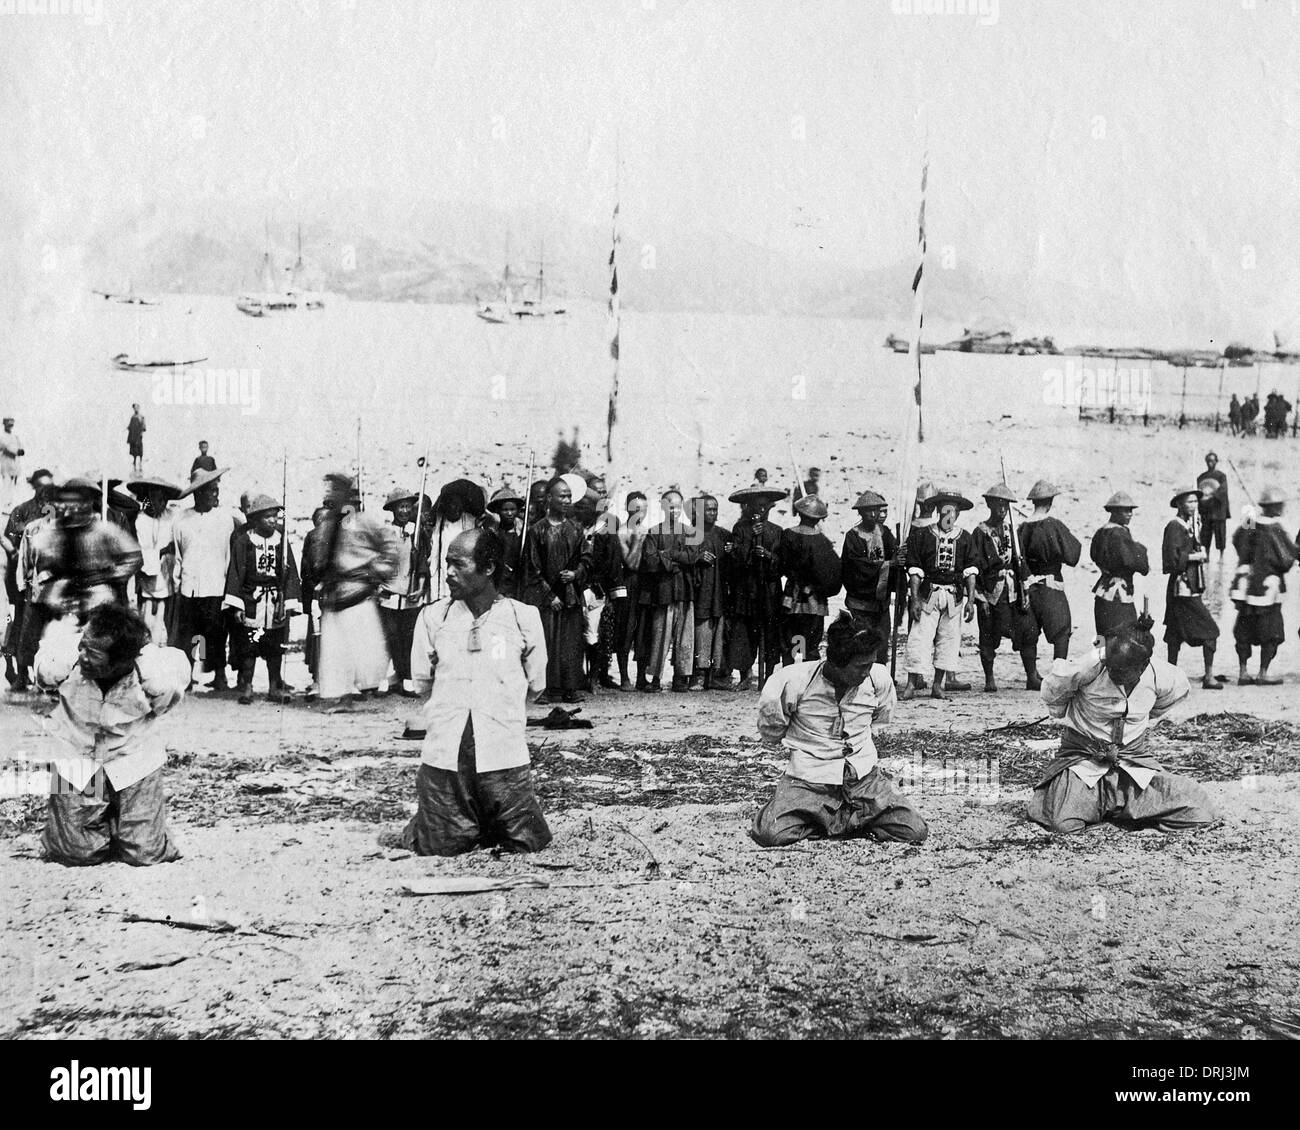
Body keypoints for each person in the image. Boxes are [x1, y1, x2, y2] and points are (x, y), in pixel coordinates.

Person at [400, 528, 551, 856]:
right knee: (442, 845)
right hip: (445, 758)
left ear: (488, 568)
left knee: (524, 843)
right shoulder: (433, 617)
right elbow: (422, 681)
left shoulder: (522, 617)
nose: (449, 574)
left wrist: (498, 711)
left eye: (459, 565)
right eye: (446, 564)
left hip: (503, 753)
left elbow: (536, 684)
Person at [1028, 612, 1217, 835]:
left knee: (1198, 810)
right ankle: (1109, 810)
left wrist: (1134, 724)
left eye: (1121, 671)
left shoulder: (1162, 675)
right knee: (1063, 822)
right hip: (1085, 762)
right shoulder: (1091, 664)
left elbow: (1168, 700)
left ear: (1143, 665)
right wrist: (1067, 715)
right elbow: (1053, 689)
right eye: (1111, 667)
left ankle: (1118, 811)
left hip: (1131, 764)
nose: (1113, 673)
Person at [750, 612, 928, 847]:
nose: (866, 672)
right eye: (861, 667)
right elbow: (771, 729)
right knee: (772, 833)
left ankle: (834, 820)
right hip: (809, 779)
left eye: (870, 664)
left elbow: (881, 716)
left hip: (863, 778)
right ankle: (813, 810)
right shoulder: (793, 682)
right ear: (836, 662)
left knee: (913, 830)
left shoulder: (878, 679)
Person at [35, 603, 191, 865]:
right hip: (77, 754)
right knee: (76, 852)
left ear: (120, 661)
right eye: (82, 646)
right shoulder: (61, 660)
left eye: (93, 653)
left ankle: (125, 819)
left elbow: (165, 704)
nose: (82, 655)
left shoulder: (156, 675)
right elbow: (43, 679)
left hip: (132, 757)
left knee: (143, 852)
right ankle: (94, 820)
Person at [311, 472, 399, 711]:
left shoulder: (363, 520)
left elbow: (389, 543)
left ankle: (368, 689)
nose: (332, 494)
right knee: (336, 650)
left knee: (363, 650)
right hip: (334, 593)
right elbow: (319, 557)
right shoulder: (328, 522)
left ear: (348, 494)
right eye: (330, 490)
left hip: (357, 592)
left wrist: (376, 570)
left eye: (337, 490)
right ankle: (344, 697)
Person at [224, 494, 302, 704]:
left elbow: (291, 572)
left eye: (275, 517)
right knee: (250, 644)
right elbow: (236, 573)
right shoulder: (244, 541)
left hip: (275, 602)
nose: (272, 521)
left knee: (274, 647)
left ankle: (274, 687)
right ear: (256, 519)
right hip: (252, 601)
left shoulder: (281, 542)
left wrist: (289, 602)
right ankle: (247, 686)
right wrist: (237, 605)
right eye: (267, 517)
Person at [171, 465, 242, 691]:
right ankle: (189, 675)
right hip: (190, 586)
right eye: (211, 490)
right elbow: (178, 554)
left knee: (217, 634)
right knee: (191, 634)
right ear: (198, 493)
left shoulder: (227, 518)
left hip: (216, 585)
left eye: (216, 489)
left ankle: (220, 675)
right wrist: (178, 582)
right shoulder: (181, 520)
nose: (215, 494)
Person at [902, 490, 977, 700]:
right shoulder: (922, 535)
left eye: (954, 510)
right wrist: (915, 598)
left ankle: (937, 685)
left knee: (949, 640)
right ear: (938, 510)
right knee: (919, 638)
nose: (949, 515)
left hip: (954, 597)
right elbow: (915, 570)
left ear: (959, 513)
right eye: (946, 510)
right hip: (929, 595)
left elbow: (970, 572)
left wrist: (971, 601)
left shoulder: (965, 538)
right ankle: (910, 684)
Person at [523, 477, 591, 703]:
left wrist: (576, 573)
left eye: (569, 496)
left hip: (570, 596)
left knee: (570, 643)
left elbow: (587, 559)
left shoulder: (576, 529)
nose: (566, 500)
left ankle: (570, 688)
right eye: (562, 496)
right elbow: (531, 568)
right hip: (546, 599)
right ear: (549, 498)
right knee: (546, 642)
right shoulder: (537, 530)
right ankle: (544, 689)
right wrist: (548, 595)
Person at [970, 483, 1038, 693]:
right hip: (992, 593)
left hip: (1013, 592)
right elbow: (975, 566)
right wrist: (980, 599)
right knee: (989, 634)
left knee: (1028, 630)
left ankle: (1031, 676)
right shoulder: (980, 533)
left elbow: (1021, 561)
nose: (1002, 510)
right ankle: (990, 679)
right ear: (990, 505)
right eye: (998, 505)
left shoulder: (1012, 531)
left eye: (1005, 506)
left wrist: (1025, 589)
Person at [1229, 486, 1297, 685]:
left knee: (1243, 629)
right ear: (1275, 507)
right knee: (1272, 631)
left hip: (1246, 585)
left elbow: (1237, 540)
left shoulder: (1250, 523)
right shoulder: (1276, 528)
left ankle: (1242, 672)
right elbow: (1286, 558)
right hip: (1268, 588)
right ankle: (1262, 674)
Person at [636, 489, 699, 692]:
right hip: (662, 591)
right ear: (663, 507)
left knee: (684, 638)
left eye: (678, 507)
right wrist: (673, 561)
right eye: (671, 506)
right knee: (659, 637)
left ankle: (681, 677)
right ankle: (655, 677)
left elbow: (692, 558)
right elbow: (651, 561)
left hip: (684, 591)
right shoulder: (654, 532)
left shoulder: (689, 531)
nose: (675, 510)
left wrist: (668, 554)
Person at [725, 483, 786, 690]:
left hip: (769, 590)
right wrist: (751, 537)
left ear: (770, 508)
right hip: (747, 589)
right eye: (755, 506)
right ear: (749, 508)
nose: (760, 511)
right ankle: (745, 675)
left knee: (770, 633)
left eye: (764, 507)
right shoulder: (740, 529)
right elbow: (736, 560)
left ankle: (768, 676)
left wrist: (768, 556)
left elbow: (783, 563)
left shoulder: (778, 532)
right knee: (744, 633)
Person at [1017, 480, 1081, 665]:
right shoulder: (1053, 525)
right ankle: (1058, 671)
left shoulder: (1021, 528)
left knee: (1029, 632)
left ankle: (1031, 676)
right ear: (1050, 502)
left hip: (1028, 587)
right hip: (1051, 586)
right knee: (1061, 630)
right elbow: (1073, 555)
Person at [1163, 488, 1220, 690]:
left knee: (1175, 633)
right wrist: (1194, 557)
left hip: (1190, 586)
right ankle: (1208, 676)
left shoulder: (1190, 526)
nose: (1193, 506)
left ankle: (1169, 677)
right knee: (1210, 630)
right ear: (1179, 504)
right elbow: (1171, 559)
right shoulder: (1174, 526)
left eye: (1196, 502)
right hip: (1182, 588)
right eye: (1189, 502)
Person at [2, 468, 54, 690]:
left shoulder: (52, 510)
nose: (45, 491)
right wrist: (15, 552)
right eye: (41, 486)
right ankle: (17, 671)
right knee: (20, 626)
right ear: (34, 486)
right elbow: (6, 537)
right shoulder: (21, 510)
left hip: (46, 582)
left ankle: (42, 674)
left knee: (45, 628)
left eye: (49, 487)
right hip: (21, 577)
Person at [377, 487, 431, 696]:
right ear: (393, 509)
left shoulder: (417, 532)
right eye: (401, 506)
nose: (405, 510)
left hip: (410, 595)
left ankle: (407, 678)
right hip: (389, 594)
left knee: (407, 637)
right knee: (389, 636)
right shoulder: (385, 532)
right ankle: (385, 678)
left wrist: (420, 587)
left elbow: (423, 563)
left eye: (408, 506)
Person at [778, 495, 841, 665]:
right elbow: (831, 572)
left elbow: (782, 565)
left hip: (792, 597)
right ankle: (807, 680)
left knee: (791, 642)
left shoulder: (787, 535)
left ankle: (789, 676)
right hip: (815, 600)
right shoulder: (822, 541)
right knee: (810, 645)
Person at [127, 474, 182, 647]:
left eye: (163, 499)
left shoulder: (172, 516)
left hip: (168, 572)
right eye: (156, 499)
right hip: (148, 572)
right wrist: (161, 551)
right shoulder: (141, 520)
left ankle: (164, 643)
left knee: (165, 609)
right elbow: (144, 549)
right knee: (148, 610)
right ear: (149, 499)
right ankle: (147, 643)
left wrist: (170, 550)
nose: (160, 503)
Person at [840, 490, 899, 652]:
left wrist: (899, 556)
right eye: (868, 511)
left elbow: (894, 554)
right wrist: (888, 564)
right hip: (861, 603)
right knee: (862, 643)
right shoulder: (853, 536)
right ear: (860, 512)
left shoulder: (885, 532)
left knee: (881, 643)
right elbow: (857, 566)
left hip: (881, 604)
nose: (873, 514)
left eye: (876, 510)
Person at [1089, 491, 1149, 635]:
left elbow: (1093, 555)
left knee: (1102, 634)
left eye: (1131, 510)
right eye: (1125, 510)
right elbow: (1136, 562)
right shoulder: (1119, 534)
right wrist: (1140, 548)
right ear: (1114, 512)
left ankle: (1100, 656)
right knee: (1125, 638)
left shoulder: (1100, 532)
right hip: (1118, 594)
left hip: (1102, 590)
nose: (1130, 514)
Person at [689, 494, 730, 690]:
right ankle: (698, 675)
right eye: (708, 509)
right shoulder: (690, 534)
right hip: (700, 591)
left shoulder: (724, 535)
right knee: (701, 631)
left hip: (719, 591)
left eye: (715, 509)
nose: (713, 513)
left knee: (718, 632)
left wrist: (732, 552)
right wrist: (697, 558)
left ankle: (715, 676)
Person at [611, 490, 649, 690]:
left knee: (643, 629)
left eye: (643, 510)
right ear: (627, 509)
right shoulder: (622, 532)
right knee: (626, 629)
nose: (639, 514)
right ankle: (625, 677)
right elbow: (632, 564)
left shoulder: (647, 531)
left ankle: (642, 677)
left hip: (646, 585)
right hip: (629, 583)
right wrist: (638, 541)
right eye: (636, 509)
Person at [427, 479, 488, 601]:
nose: (454, 508)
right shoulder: (438, 521)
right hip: (439, 573)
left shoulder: (470, 521)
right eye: (450, 505)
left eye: (457, 505)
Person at [298, 505, 330, 699]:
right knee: (317, 638)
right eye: (319, 521)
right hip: (317, 595)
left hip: (335, 595)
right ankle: (317, 679)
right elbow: (306, 568)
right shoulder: (311, 538)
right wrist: (315, 586)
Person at [486, 485, 526, 598]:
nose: (509, 513)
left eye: (512, 509)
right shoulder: (492, 532)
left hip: (518, 582)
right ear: (498, 511)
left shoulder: (524, 531)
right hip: (499, 582)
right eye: (505, 510)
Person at [1195, 452, 1230, 561]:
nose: (1210, 463)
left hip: (1219, 511)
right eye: (1208, 461)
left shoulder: (1221, 476)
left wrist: (1211, 495)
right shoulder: (1201, 477)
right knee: (1206, 535)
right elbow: (1199, 492)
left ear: (1216, 462)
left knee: (1220, 534)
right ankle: (1207, 555)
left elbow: (1223, 491)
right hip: (1206, 511)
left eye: (1212, 461)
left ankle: (1221, 556)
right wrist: (1202, 500)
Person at [0, 416, 25, 513]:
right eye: (8, 424)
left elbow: (20, 446)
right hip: (6, 465)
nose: (10, 426)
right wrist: (17, 451)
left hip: (14, 465)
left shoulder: (15, 436)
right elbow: (7, 447)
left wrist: (21, 450)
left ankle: (9, 507)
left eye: (11, 424)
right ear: (4, 424)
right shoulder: (2, 436)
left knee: (13, 486)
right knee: (6, 485)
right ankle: (4, 507)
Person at [127, 404, 146, 475]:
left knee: (140, 449)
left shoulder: (141, 417)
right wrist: (128, 427)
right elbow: (130, 425)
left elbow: (144, 427)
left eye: (137, 408)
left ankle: (140, 462)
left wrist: (141, 432)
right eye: (134, 408)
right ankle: (134, 462)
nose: (136, 409)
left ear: (139, 408)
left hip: (139, 436)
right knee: (134, 450)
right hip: (133, 436)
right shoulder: (132, 417)